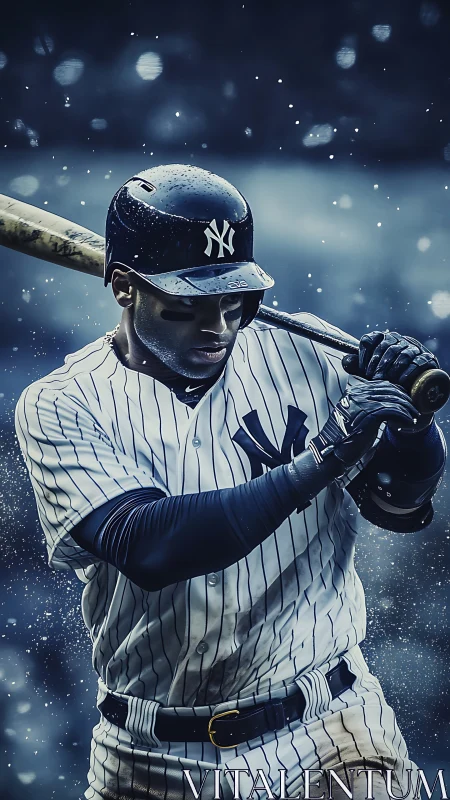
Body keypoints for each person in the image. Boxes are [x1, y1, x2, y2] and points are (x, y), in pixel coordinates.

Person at [15, 164, 446, 800]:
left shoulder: (309, 353)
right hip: (148, 754)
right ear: (124, 289)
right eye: (188, 304)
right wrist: (323, 456)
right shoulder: (61, 403)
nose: (218, 325)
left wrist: (411, 431)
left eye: (234, 299)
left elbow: (400, 504)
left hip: (330, 727)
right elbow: (153, 547)